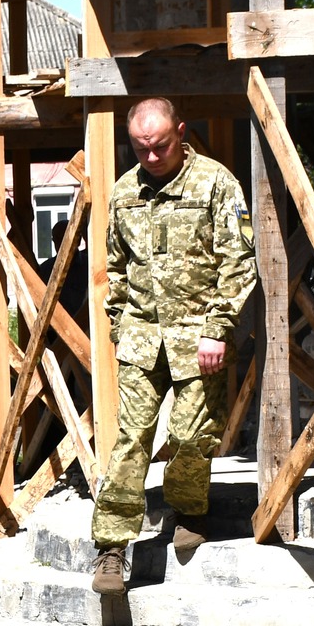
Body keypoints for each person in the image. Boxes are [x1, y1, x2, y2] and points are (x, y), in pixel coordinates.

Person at [89, 97, 256, 595]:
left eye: (160, 146)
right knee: (131, 439)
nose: (151, 156)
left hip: (198, 339)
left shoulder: (215, 183)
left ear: (181, 132)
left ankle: (189, 509)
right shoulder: (125, 191)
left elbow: (238, 260)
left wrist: (218, 328)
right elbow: (115, 266)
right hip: (141, 340)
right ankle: (111, 548)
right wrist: (119, 325)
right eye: (140, 148)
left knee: (190, 436)